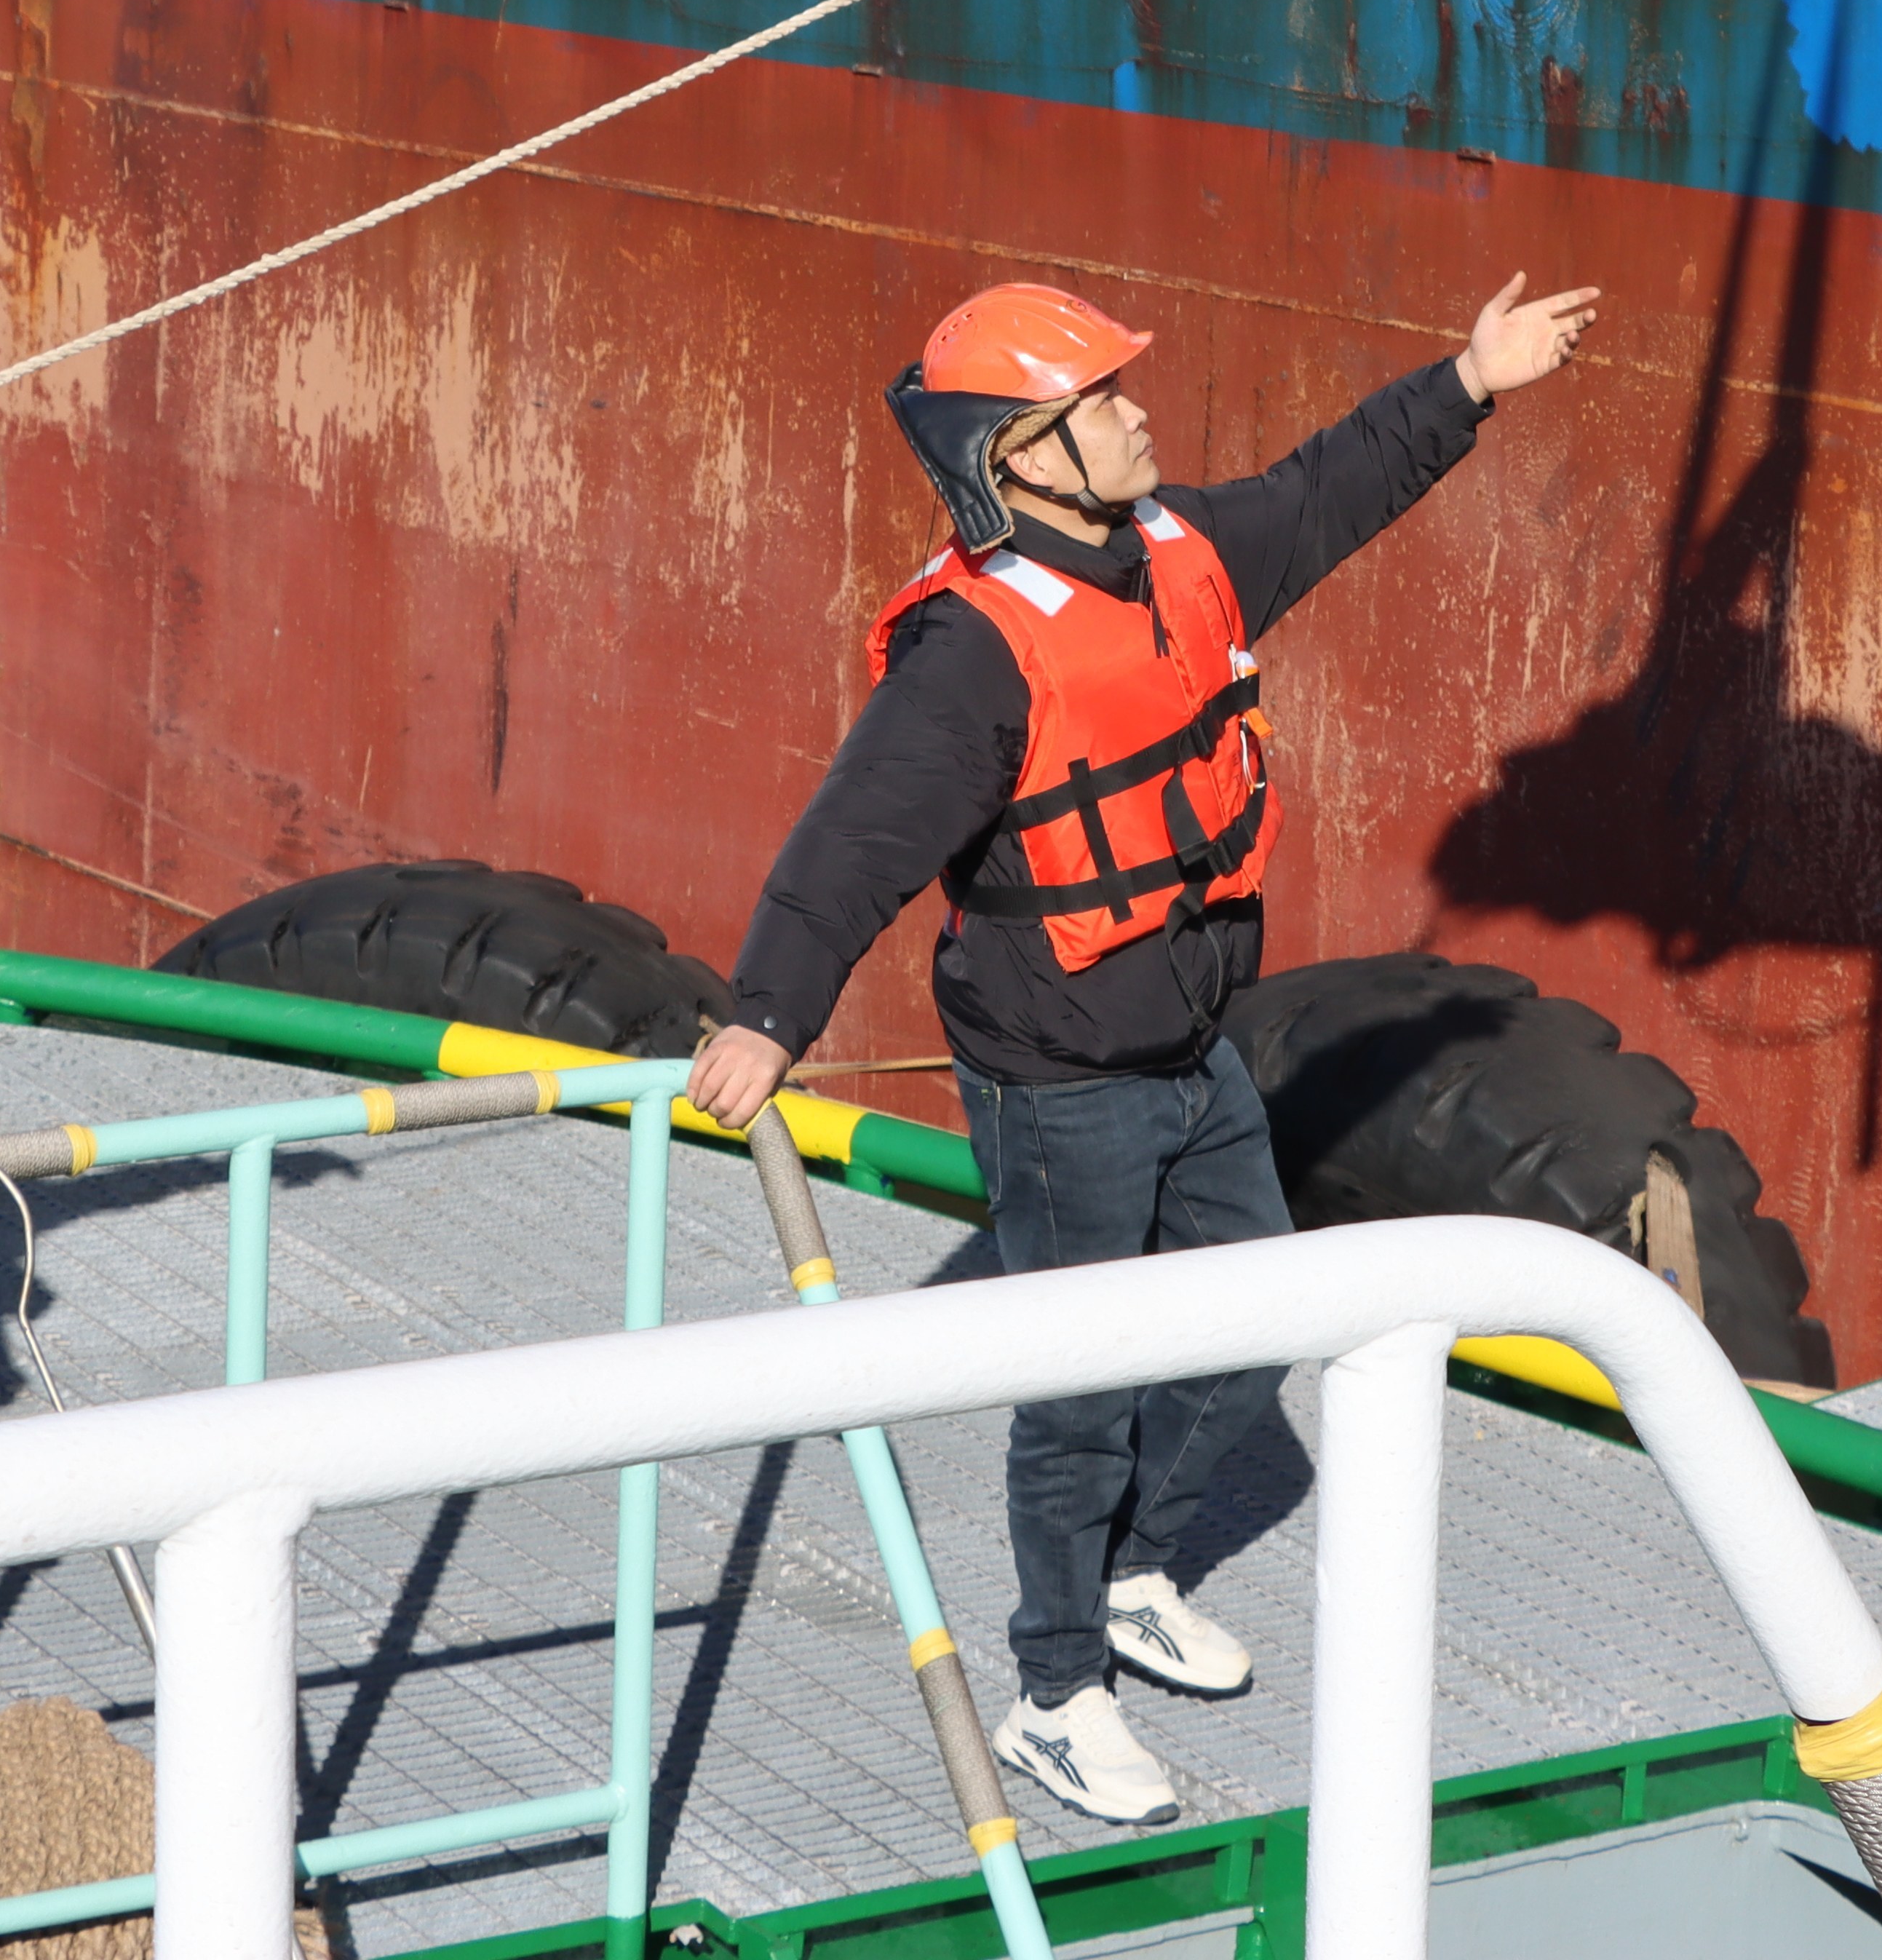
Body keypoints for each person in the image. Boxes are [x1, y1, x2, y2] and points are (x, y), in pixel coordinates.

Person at [685, 270, 1603, 1828]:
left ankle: (1131, 1573)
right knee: (1081, 1388)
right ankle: (1056, 1688)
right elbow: (854, 842)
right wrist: (771, 1010)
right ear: (1021, 454)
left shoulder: (1181, 552)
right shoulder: (976, 650)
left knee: (1253, 1325)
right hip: (1058, 1077)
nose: (1135, 412)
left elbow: (1332, 490)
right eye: (1100, 400)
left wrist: (1469, 376)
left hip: (1190, 1044)